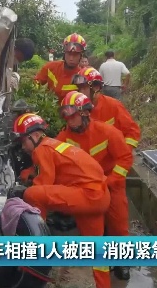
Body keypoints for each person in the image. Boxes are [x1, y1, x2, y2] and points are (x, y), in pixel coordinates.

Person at [13, 113, 111, 288]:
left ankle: (38, 250)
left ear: (35, 135)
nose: (23, 147)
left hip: (87, 195)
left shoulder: (41, 149)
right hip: (100, 196)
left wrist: (22, 188)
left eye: (23, 140)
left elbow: (44, 184)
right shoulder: (55, 145)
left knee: (32, 194)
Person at [56, 91, 133, 281]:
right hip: (86, 188)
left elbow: (125, 158)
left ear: (84, 113)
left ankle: (122, 262)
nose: (69, 120)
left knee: (118, 224)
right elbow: (53, 159)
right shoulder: (64, 137)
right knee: (91, 230)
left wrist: (112, 180)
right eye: (66, 115)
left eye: (72, 115)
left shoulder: (107, 132)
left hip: (111, 183)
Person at [73, 67, 141, 149]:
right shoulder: (76, 108)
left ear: (96, 88)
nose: (80, 92)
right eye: (79, 88)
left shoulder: (113, 105)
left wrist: (124, 152)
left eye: (84, 88)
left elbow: (132, 131)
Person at [34, 33, 87, 102]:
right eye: (69, 54)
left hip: (71, 111)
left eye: (75, 55)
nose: (71, 58)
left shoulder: (83, 76)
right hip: (49, 109)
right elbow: (36, 83)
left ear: (81, 56)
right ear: (64, 53)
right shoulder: (50, 67)